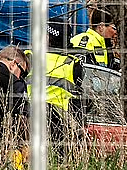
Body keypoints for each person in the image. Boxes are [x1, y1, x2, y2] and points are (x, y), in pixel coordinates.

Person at [26, 22, 86, 160]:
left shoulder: (30, 57)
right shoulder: (73, 63)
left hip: (29, 115)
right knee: (59, 160)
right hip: (60, 121)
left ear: (49, 38)